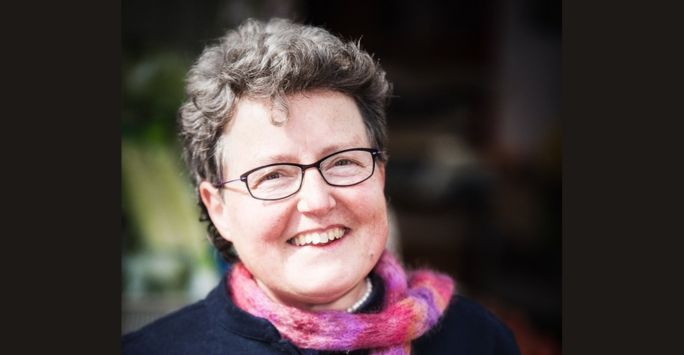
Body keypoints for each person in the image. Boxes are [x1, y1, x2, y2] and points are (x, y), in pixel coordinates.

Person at [122, 18, 521, 354]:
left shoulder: (476, 340)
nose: (316, 200)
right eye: (274, 175)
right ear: (218, 208)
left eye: (343, 162)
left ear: (380, 174)